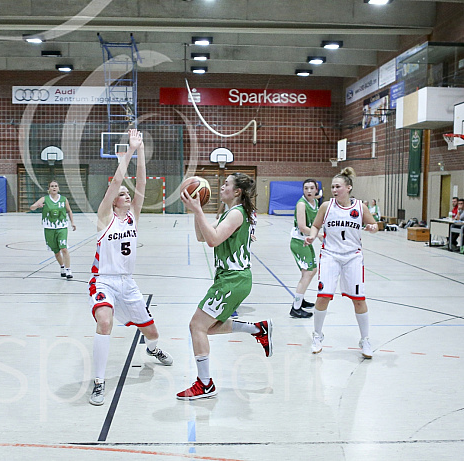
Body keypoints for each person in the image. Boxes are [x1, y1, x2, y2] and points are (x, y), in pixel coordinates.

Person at [88, 129, 172, 406]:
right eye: (122, 194)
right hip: (103, 281)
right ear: (113, 200)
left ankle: (154, 350)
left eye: (126, 193)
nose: (126, 195)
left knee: (152, 334)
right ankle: (99, 382)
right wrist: (127, 156)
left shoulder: (133, 217)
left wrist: (141, 151)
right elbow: (115, 182)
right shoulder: (104, 217)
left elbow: (143, 184)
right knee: (104, 322)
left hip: (128, 283)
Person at [177, 173, 272, 400]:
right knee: (206, 328)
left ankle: (205, 384)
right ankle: (258, 329)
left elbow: (213, 240)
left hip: (233, 279)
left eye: (227, 184)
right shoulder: (232, 213)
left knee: (196, 326)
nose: (222, 187)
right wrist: (196, 209)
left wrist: (198, 209)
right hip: (230, 279)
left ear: (237, 191)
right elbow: (203, 236)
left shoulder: (237, 214)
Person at [304, 167, 378, 359]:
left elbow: (375, 226)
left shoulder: (360, 207)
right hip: (330, 255)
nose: (334, 190)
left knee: (359, 299)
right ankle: (317, 335)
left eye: (338, 187)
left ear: (348, 187)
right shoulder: (326, 206)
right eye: (332, 187)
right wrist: (312, 237)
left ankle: (365, 340)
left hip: (353, 256)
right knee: (323, 296)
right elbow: (315, 225)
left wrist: (371, 227)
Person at [30, 180, 76, 279]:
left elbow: (69, 211)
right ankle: (62, 267)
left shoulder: (63, 199)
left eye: (56, 186)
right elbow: (31, 207)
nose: (54, 187)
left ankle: (68, 270)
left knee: (64, 248)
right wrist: (37, 206)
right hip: (49, 228)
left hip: (62, 227)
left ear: (58, 188)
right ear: (49, 189)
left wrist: (72, 222)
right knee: (56, 251)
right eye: (52, 186)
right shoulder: (44, 199)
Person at [289, 179, 321, 319]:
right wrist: (318, 234)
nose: (308, 191)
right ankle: (295, 308)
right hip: (299, 241)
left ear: (316, 189)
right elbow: (302, 227)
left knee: (311, 270)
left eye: (311, 188)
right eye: (306, 188)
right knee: (308, 273)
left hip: (307, 240)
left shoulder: (315, 202)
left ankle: (300, 299)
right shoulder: (302, 204)